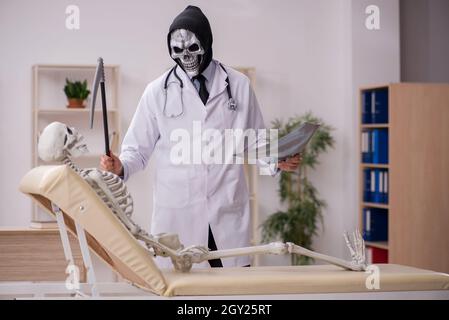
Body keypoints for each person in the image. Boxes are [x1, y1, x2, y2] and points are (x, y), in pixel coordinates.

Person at [100, 6, 300, 268]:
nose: (185, 57)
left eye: (192, 48)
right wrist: (121, 166)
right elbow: (136, 149)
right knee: (183, 295)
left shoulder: (238, 85)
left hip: (227, 213)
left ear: (206, 42)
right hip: (177, 216)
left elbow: (255, 141)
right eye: (177, 50)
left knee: (232, 295)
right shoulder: (156, 92)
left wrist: (275, 159)